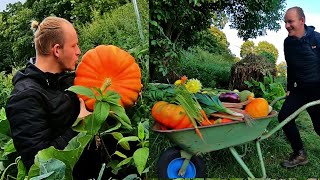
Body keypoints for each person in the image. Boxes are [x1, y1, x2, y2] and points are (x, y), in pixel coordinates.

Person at [5, 16, 102, 179]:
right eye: (74, 45)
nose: (79, 51)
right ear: (57, 50)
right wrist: (79, 127)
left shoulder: (70, 80)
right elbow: (40, 166)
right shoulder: (24, 98)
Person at [279, 6, 320, 168]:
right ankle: (300, 154)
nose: (287, 25)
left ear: (302, 21)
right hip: (300, 89)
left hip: (318, 90)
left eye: (290, 21)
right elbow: (290, 66)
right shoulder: (288, 43)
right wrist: (290, 87)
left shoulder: (317, 39)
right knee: (284, 117)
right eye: (285, 22)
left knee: (319, 127)